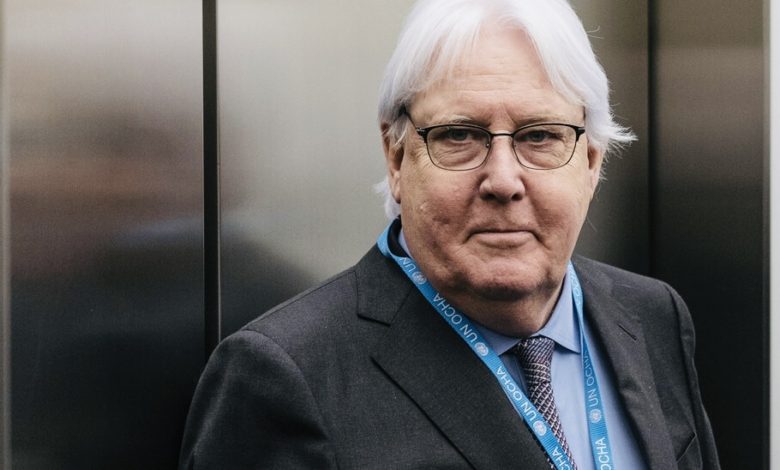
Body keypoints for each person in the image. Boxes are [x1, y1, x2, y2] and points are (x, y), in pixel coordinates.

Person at [179, 0, 720, 468]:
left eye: (540, 137)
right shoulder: (287, 376)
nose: (503, 181)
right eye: (459, 135)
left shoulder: (652, 318)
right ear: (396, 157)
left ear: (592, 162)